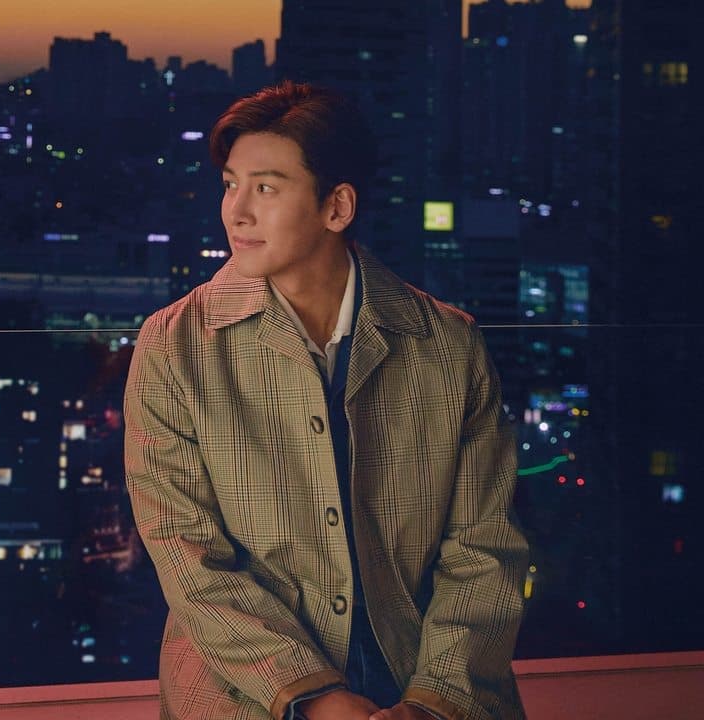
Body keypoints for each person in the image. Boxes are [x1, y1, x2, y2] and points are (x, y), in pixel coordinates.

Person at [123, 81, 529, 720]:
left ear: (336, 206)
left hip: (422, 678)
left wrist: (435, 699)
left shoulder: (447, 345)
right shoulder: (176, 345)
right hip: (247, 692)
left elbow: (485, 547)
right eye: (230, 185)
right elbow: (185, 551)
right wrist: (308, 694)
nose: (236, 212)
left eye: (266, 188)